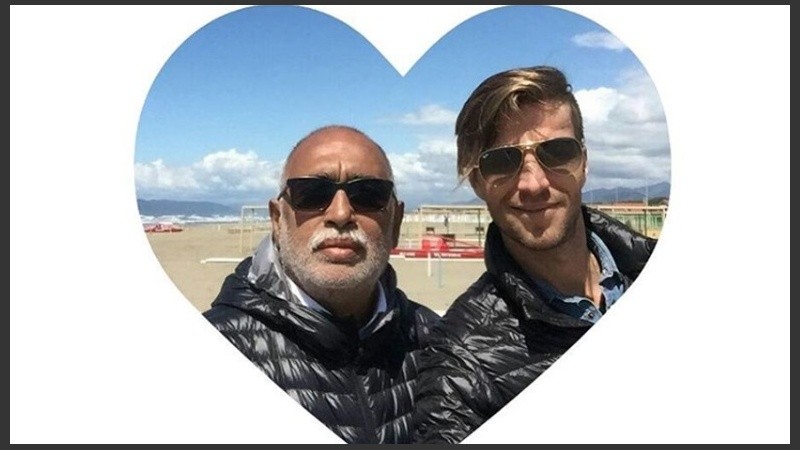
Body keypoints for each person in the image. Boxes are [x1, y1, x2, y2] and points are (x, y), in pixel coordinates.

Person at [412, 66, 658, 443]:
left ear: (584, 162)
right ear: (477, 181)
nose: (533, 184)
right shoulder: (459, 360)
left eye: (557, 152)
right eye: (501, 162)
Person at [203, 125, 439, 444]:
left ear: (395, 222)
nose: (340, 214)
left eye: (368, 194)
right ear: (277, 220)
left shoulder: (442, 345)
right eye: (312, 193)